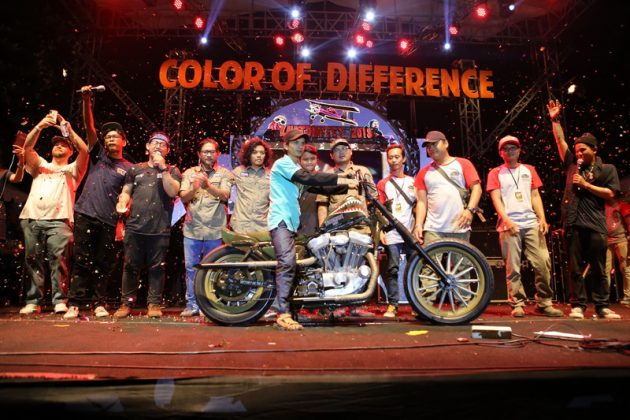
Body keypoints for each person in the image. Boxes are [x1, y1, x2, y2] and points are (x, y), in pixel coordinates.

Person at [268, 129, 356, 330]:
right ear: (286, 146)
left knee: (301, 264)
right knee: (287, 262)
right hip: (280, 220)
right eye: (295, 143)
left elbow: (318, 188)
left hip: (292, 223)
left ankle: (296, 307)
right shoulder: (283, 164)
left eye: (302, 143)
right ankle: (282, 313)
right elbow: (310, 179)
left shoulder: (295, 169)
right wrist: (341, 178)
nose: (300, 146)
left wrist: (349, 186)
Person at [547, 100, 621, 319]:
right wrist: (555, 120)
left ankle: (602, 306)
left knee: (599, 266)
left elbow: (610, 193)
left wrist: (586, 185)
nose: (578, 153)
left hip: (596, 224)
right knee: (575, 268)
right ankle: (578, 305)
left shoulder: (607, 169)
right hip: (572, 223)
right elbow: (560, 141)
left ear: (594, 150)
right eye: (577, 150)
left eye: (583, 150)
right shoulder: (572, 165)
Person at [64, 86, 133, 320]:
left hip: (109, 221)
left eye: (116, 136)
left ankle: (98, 303)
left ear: (124, 141)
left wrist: (124, 214)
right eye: (108, 136)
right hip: (85, 213)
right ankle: (75, 303)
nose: (111, 138)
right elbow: (89, 127)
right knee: (81, 260)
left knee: (103, 264)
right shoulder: (98, 155)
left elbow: (128, 194)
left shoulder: (129, 169)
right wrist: (86, 101)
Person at [18, 112, 89, 315]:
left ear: (70, 151)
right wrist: (40, 126)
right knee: (33, 261)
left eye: (63, 144)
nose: (58, 145)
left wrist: (69, 130)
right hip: (32, 218)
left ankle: (59, 300)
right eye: (56, 144)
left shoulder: (73, 169)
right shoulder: (40, 166)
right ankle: (33, 301)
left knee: (59, 262)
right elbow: (27, 148)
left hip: (60, 221)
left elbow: (85, 150)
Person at [486, 135, 564, 318]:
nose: (510, 151)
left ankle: (544, 302)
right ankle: (517, 303)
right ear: (500, 153)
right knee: (513, 267)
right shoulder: (496, 173)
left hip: (531, 223)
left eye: (513, 148)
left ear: (519, 150)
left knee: (543, 262)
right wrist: (507, 221)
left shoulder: (529, 170)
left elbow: (535, 195)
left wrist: (542, 218)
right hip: (509, 225)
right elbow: (496, 199)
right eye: (505, 149)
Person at [113, 132, 182, 319]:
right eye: (155, 143)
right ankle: (126, 303)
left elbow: (173, 192)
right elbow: (126, 191)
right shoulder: (135, 169)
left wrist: (163, 169)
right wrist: (122, 202)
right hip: (135, 226)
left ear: (167, 150)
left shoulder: (172, 170)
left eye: (162, 144)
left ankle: (154, 303)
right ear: (147, 147)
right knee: (130, 266)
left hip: (160, 227)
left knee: (157, 268)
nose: (158, 146)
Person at [316, 137, 378, 318]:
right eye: (337, 149)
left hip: (361, 228)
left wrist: (375, 228)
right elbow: (322, 204)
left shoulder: (362, 171)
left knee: (360, 267)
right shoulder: (327, 176)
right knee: (337, 269)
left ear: (351, 152)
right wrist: (323, 230)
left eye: (344, 148)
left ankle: (357, 306)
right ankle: (338, 307)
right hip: (336, 231)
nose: (341, 152)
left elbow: (374, 199)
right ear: (331, 155)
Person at [179, 138, 233, 317]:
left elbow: (225, 196)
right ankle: (192, 304)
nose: (208, 155)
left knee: (213, 269)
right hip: (192, 229)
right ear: (199, 154)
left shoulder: (224, 173)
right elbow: (183, 197)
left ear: (218, 154)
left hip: (215, 230)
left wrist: (207, 186)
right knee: (191, 268)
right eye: (205, 151)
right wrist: (195, 188)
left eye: (212, 152)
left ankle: (209, 305)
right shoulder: (189, 173)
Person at [413, 130, 482, 245]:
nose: (431, 148)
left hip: (460, 226)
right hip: (433, 229)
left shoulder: (463, 163)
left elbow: (477, 189)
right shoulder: (423, 172)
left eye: (434, 144)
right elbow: (421, 202)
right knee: (431, 257)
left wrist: (469, 210)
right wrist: (418, 225)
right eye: (428, 146)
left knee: (461, 257)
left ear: (446, 143)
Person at [376, 144, 416, 319]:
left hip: (411, 231)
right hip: (392, 232)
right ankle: (393, 305)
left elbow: (420, 206)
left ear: (404, 159)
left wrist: (419, 227)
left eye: (397, 157)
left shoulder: (413, 182)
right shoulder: (383, 183)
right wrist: (380, 231)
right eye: (390, 157)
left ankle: (416, 304)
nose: (393, 160)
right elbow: (379, 210)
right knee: (392, 269)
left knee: (414, 269)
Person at [230, 138, 271, 234]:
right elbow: (226, 191)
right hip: (240, 226)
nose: (259, 155)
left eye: (262, 153)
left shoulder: (272, 175)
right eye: (255, 152)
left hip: (263, 227)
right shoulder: (237, 172)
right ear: (249, 154)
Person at [604, 185, 630, 306]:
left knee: (626, 268)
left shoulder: (621, 205)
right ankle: (604, 297)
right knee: (605, 269)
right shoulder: (602, 206)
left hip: (621, 239)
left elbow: (628, 221)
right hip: (607, 240)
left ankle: (628, 296)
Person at [297, 144, 320, 236]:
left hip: (317, 230)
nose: (309, 162)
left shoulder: (322, 180)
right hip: (297, 230)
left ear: (317, 159)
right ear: (299, 161)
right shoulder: (294, 181)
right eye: (305, 159)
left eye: (312, 158)